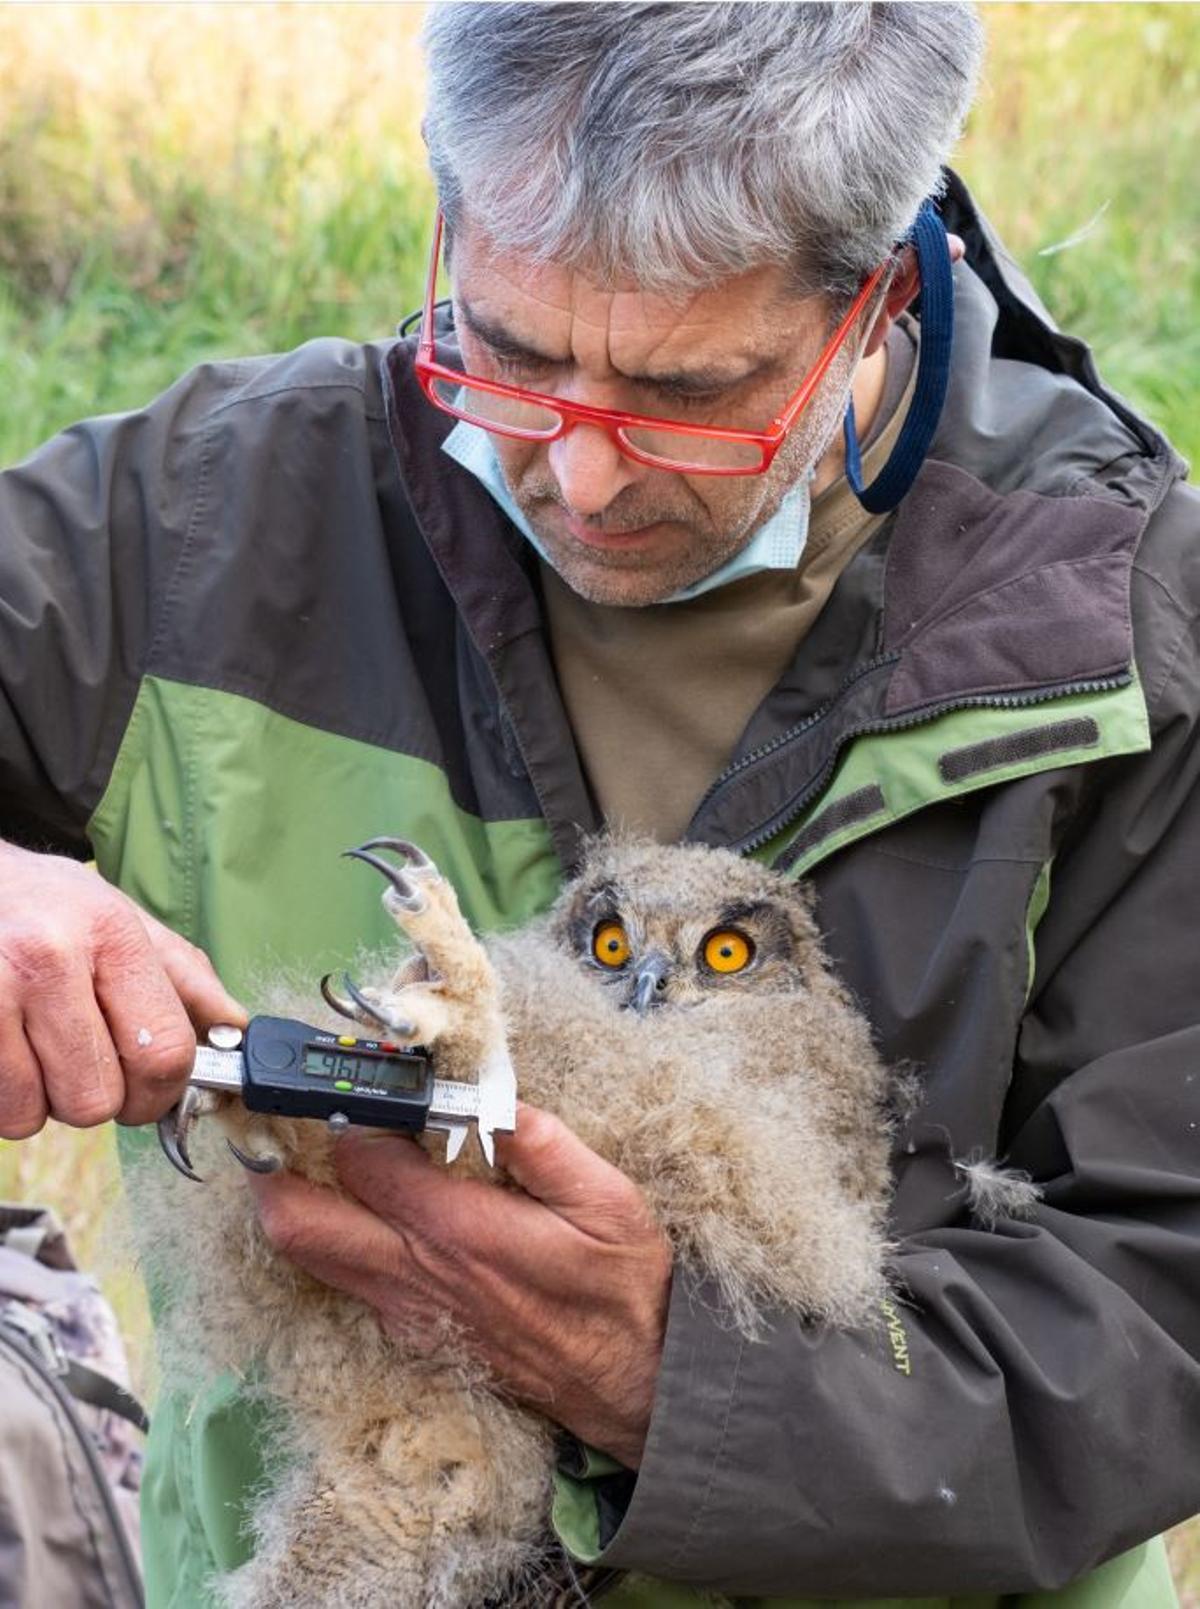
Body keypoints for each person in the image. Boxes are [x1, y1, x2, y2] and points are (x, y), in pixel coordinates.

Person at [0, 4, 1197, 1606]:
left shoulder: (1124, 647)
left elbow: (1164, 1307)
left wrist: (668, 1381)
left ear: (881, 298)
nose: (581, 476)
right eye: (512, 356)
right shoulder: (202, 519)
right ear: (448, 217)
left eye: (689, 394)